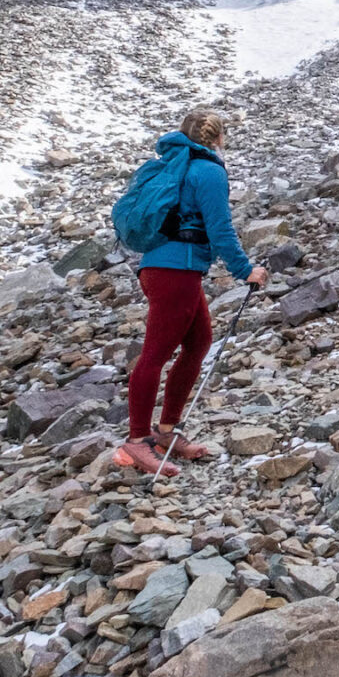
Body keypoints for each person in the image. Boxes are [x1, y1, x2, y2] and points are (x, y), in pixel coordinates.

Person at [116, 107, 267, 476]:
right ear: (217, 138)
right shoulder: (209, 171)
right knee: (155, 354)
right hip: (176, 272)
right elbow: (220, 230)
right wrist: (246, 271)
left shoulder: (175, 165)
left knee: (198, 344)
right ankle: (137, 442)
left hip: (162, 267)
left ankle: (167, 431)